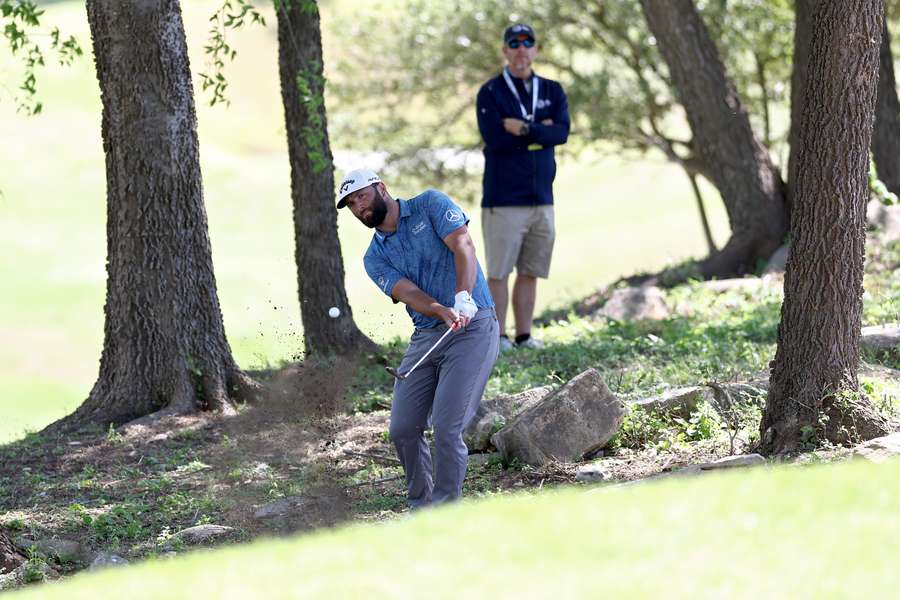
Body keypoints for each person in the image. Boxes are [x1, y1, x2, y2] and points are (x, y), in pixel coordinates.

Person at [336, 168, 500, 508]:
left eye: (362, 196)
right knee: (403, 429)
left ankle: (444, 509)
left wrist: (463, 296)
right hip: (427, 335)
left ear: (381, 187)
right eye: (351, 204)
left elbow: (463, 245)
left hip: (474, 325)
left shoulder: (429, 204)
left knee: (446, 426)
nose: (359, 208)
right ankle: (420, 505)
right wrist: (441, 309)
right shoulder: (374, 257)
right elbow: (407, 292)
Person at [476, 23, 570, 351]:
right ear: (505, 50)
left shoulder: (552, 90)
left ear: (536, 49)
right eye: (514, 43)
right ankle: (498, 337)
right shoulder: (491, 93)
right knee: (499, 272)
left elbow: (561, 133)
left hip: (543, 199)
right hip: (503, 200)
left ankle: (524, 335)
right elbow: (496, 140)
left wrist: (524, 129)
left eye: (527, 43)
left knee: (531, 270)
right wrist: (539, 133)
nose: (521, 49)